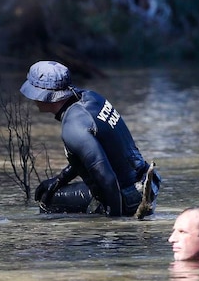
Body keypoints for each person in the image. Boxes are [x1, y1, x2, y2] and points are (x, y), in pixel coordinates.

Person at [19, 60, 160, 218]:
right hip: (146, 188)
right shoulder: (91, 98)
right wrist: (59, 179)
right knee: (54, 191)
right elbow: (92, 156)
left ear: (42, 95)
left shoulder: (73, 126)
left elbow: (108, 179)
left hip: (127, 198)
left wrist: (115, 230)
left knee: (48, 201)